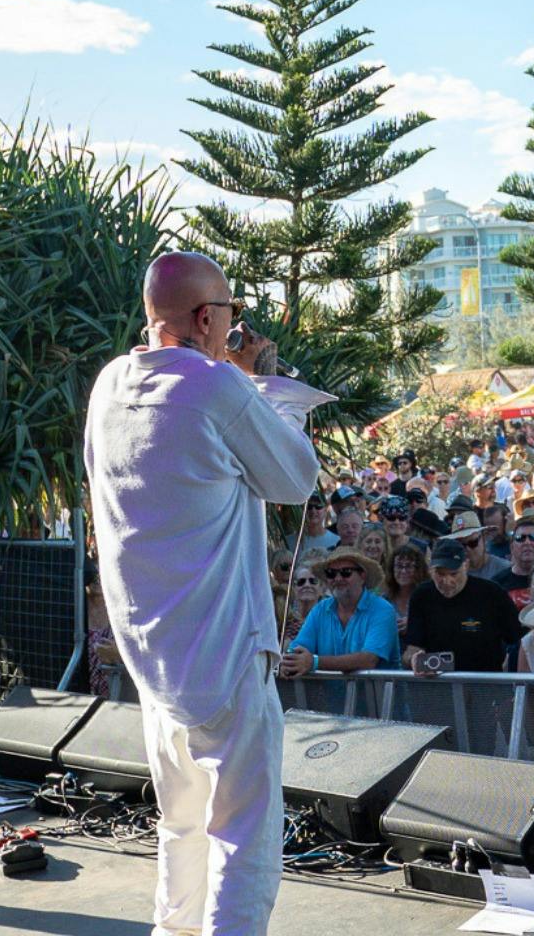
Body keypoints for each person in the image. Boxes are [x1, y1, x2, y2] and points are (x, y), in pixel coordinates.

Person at [86, 251, 324, 936]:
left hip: (152, 651)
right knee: (244, 836)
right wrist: (266, 384)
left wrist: (234, 379)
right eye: (229, 314)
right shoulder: (219, 389)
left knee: (182, 824)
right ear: (203, 316)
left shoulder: (110, 386)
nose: (234, 327)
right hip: (223, 648)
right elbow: (293, 477)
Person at [403, 537, 522, 674]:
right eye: (440, 574)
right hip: (438, 683)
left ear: (466, 565)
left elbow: (516, 640)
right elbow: (412, 647)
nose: (447, 581)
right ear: (430, 569)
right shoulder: (421, 596)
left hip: (485, 683)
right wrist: (415, 660)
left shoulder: (492, 594)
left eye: (454, 574)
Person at [280, 546, 401, 675]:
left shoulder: (382, 610)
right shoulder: (320, 610)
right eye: (331, 573)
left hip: (380, 695)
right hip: (328, 695)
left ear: (363, 576)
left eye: (346, 572)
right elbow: (298, 648)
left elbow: (369, 660)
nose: (337, 578)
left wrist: (314, 662)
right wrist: (289, 662)